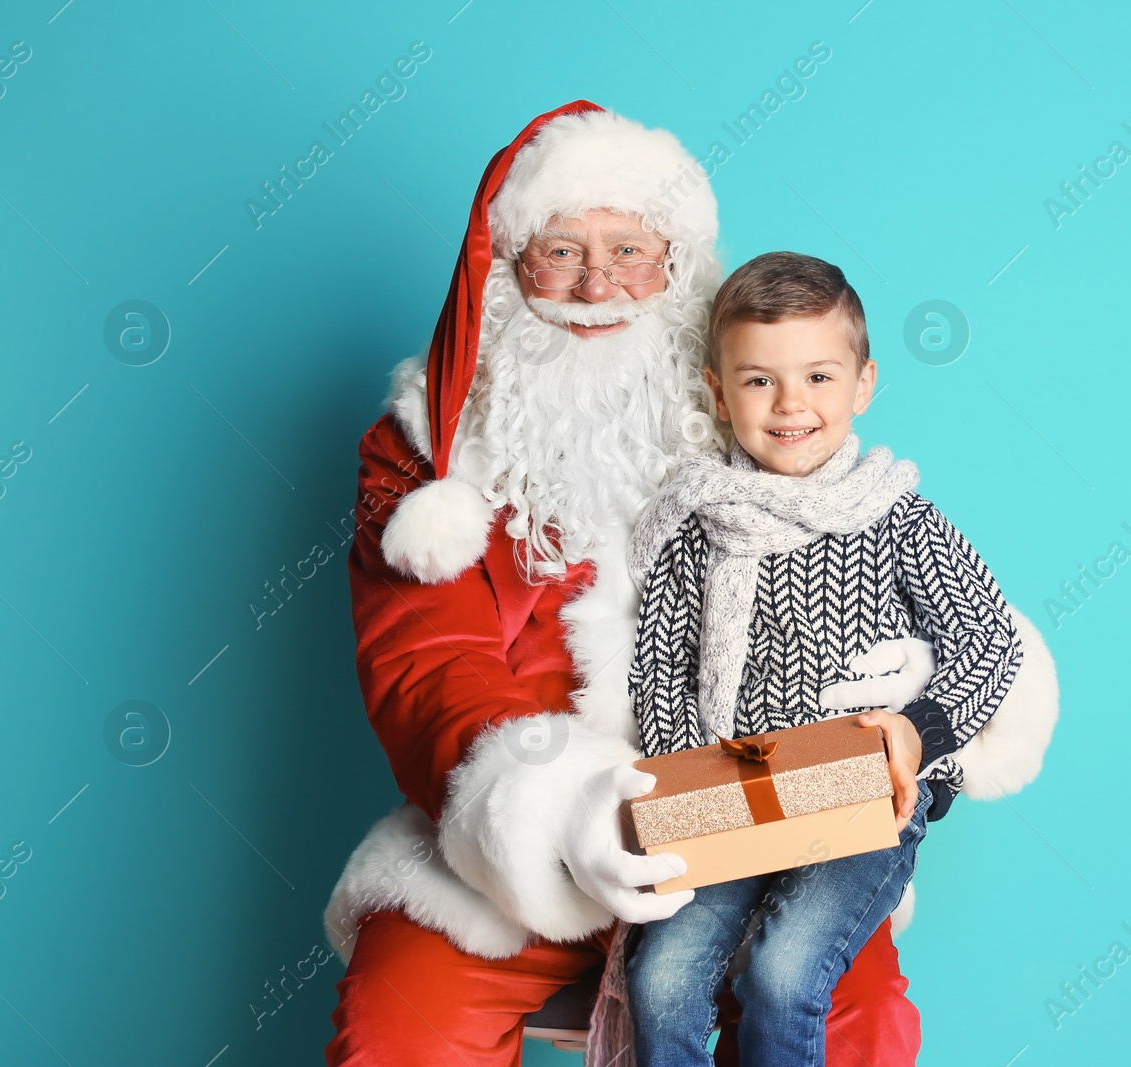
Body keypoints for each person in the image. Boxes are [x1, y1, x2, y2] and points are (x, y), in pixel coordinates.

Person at [321, 102, 1061, 1065]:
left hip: (761, 821)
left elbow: (964, 625)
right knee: (397, 1026)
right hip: (518, 858)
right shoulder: (427, 454)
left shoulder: (766, 414)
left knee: (848, 1011)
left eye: (631, 249)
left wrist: (905, 702)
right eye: (559, 251)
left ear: (678, 269)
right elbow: (428, 667)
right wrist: (564, 807)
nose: (597, 285)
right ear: (505, 271)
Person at [618, 252, 1022, 1066]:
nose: (791, 404)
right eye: (760, 380)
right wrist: (681, 790)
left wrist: (916, 730)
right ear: (718, 389)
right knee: (659, 979)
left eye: (818, 376)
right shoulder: (698, 523)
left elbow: (989, 637)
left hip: (863, 787)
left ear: (863, 384)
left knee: (782, 972)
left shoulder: (895, 516)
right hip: (732, 790)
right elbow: (660, 667)